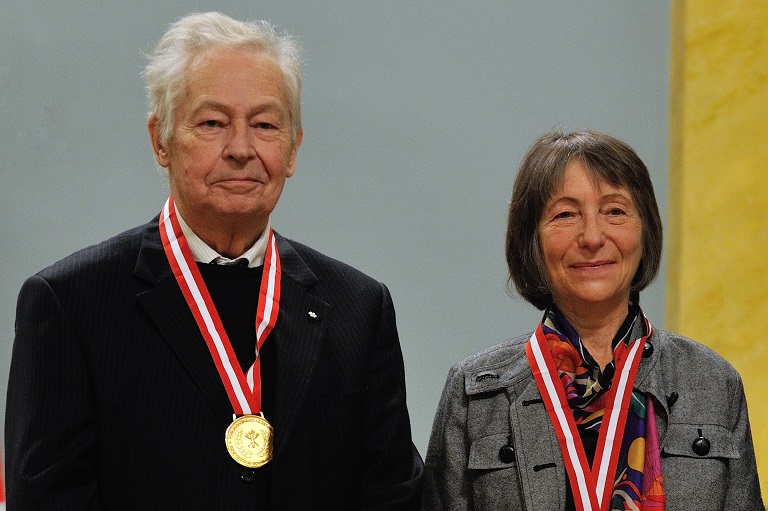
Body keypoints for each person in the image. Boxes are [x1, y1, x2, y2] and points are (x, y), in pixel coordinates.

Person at [6, 12, 423, 510]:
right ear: (160, 139)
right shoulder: (71, 304)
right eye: (213, 123)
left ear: (293, 148)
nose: (242, 149)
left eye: (265, 124)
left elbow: (392, 498)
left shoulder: (359, 308)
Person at [422, 130, 764, 510]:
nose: (592, 236)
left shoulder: (714, 383)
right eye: (565, 215)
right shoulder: (475, 393)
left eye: (614, 211)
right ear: (530, 240)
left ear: (645, 230)